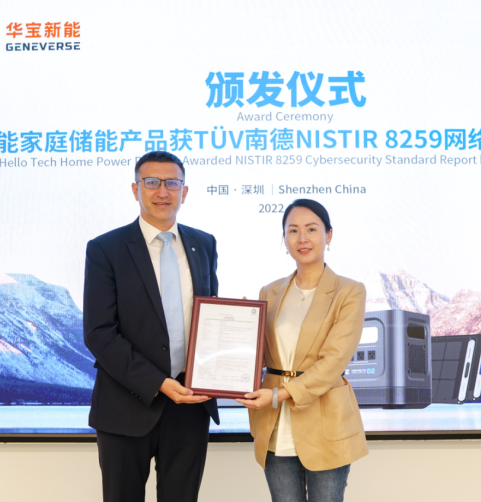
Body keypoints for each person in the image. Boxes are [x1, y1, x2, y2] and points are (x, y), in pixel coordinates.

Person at [83, 151, 219, 502]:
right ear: (136, 189)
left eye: (172, 183)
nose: (162, 192)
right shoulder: (105, 249)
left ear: (184, 192)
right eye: (152, 182)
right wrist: (158, 382)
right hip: (125, 406)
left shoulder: (204, 244)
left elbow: (210, 320)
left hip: (189, 406)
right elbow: (99, 332)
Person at [236, 198, 368, 502]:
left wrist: (279, 395)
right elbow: (259, 355)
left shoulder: (350, 291)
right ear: (284, 239)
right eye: (293, 230)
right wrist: (241, 328)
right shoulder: (269, 292)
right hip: (274, 422)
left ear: (328, 235)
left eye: (311, 229)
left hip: (324, 421)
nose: (302, 238)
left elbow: (334, 361)